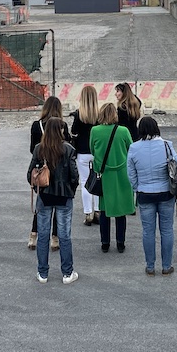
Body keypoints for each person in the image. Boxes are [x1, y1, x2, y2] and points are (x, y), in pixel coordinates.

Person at [126, 116, 177, 275]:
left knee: (148, 231)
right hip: (165, 192)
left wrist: (137, 187)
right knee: (167, 230)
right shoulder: (166, 145)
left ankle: (150, 266)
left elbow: (130, 173)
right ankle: (166, 266)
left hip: (145, 193)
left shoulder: (134, 148)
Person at [28, 117, 80, 284]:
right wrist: (71, 189)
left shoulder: (38, 149)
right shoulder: (68, 149)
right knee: (64, 235)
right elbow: (74, 175)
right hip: (64, 195)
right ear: (60, 130)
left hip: (44, 195)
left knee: (43, 235)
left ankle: (42, 273)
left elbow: (30, 174)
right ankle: (67, 272)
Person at [90, 101, 134, 253]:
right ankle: (120, 242)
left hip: (104, 174)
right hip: (122, 173)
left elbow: (92, 150)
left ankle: (105, 242)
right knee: (120, 210)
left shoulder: (95, 130)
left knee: (104, 210)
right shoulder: (123, 131)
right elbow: (131, 148)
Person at [29, 96, 64, 250]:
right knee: (57, 205)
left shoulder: (36, 125)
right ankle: (55, 238)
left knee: (41, 204)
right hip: (58, 169)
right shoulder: (61, 125)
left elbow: (32, 149)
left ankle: (33, 236)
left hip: (42, 169)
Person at [70, 85, 100, 225]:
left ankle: (88, 213)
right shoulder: (99, 114)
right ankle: (98, 210)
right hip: (97, 151)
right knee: (98, 180)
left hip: (82, 151)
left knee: (85, 182)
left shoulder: (78, 114)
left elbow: (74, 131)